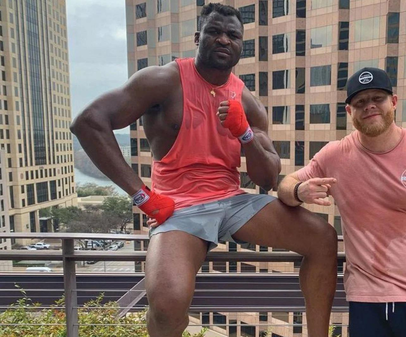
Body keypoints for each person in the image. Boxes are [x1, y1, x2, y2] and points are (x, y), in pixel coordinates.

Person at [70, 4, 338, 337]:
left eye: (233, 35)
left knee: (323, 238)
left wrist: (246, 134)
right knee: (167, 303)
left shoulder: (248, 102)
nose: (224, 39)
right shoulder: (163, 80)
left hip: (233, 202)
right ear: (198, 37)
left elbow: (268, 179)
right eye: (214, 31)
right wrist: (143, 196)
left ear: (241, 46)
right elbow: (88, 123)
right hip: (178, 209)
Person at [278, 67, 406, 337]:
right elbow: (284, 187)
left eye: (377, 98)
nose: (369, 106)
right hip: (365, 304)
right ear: (349, 111)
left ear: (394, 102)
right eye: (360, 102)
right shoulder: (335, 155)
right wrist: (299, 191)